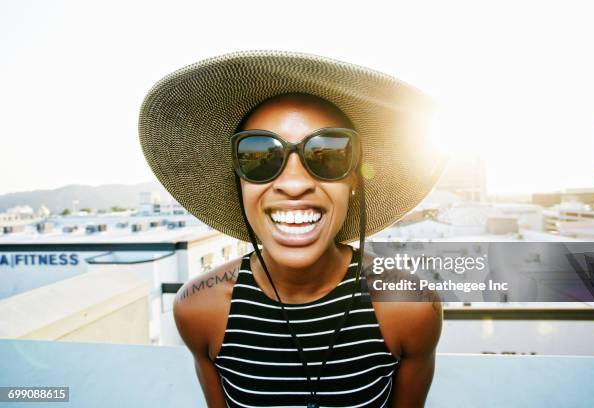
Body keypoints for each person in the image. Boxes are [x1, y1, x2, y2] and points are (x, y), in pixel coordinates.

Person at [139, 51, 447, 407]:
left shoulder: (410, 307)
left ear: (354, 181)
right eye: (260, 155)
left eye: (329, 153)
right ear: (239, 182)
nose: (295, 183)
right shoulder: (200, 310)